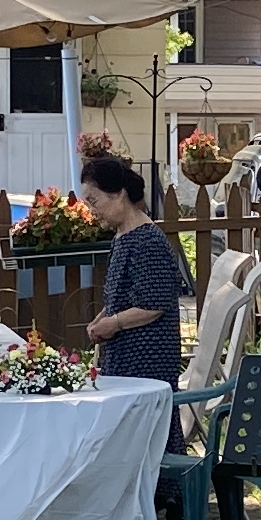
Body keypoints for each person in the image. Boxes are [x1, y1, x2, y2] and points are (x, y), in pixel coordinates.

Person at [76, 152, 184, 385]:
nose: (92, 210)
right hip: (124, 356)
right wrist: (101, 319)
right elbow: (123, 297)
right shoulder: (122, 236)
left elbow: (153, 305)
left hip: (146, 362)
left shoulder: (148, 241)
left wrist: (113, 323)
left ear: (119, 194)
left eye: (94, 201)